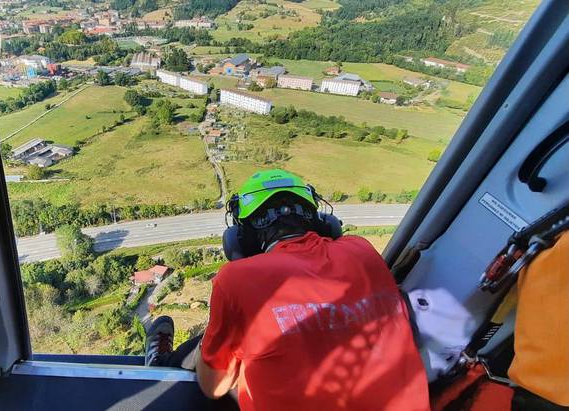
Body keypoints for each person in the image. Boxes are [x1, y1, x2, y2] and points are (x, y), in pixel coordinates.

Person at [145, 169, 430, 411]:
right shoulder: (362, 250)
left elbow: (215, 387)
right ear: (324, 225)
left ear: (240, 240)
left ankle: (160, 364)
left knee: (213, 352)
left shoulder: (237, 278)